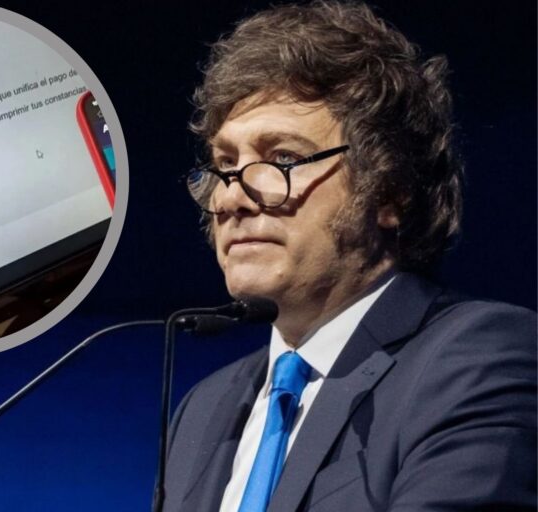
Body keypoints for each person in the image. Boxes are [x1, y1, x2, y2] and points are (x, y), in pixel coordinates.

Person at [162, 2, 537, 511]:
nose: (231, 197)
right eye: (225, 164)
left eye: (283, 158)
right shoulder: (203, 409)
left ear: (390, 190)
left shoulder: (480, 361)